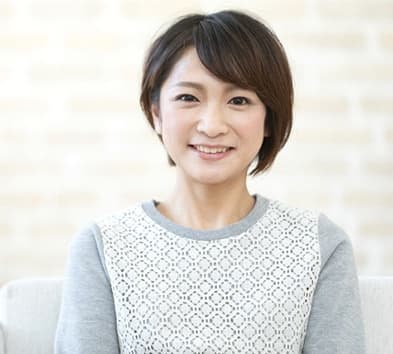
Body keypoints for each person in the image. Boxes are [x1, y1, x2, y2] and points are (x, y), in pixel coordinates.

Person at [54, 9, 366, 354]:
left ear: (268, 119)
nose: (212, 125)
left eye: (239, 100)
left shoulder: (320, 246)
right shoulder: (102, 247)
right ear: (156, 113)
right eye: (188, 97)